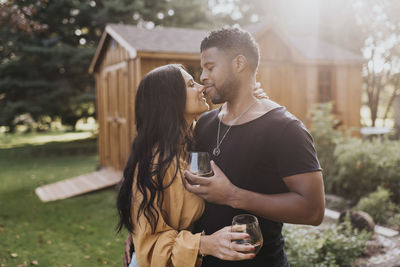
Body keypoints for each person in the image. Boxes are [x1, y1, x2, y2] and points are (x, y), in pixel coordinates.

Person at [183, 27, 325, 267]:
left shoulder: (286, 129)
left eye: (210, 67)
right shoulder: (204, 123)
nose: (203, 76)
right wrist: (144, 231)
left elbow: (313, 211)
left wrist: (232, 195)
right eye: (202, 68)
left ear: (239, 63)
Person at [117, 64, 267, 267]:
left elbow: (226, 123)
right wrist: (205, 244)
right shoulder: (154, 164)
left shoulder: (189, 139)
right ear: (170, 100)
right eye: (190, 84)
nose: (201, 87)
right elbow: (150, 247)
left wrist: (247, 100)